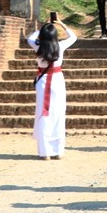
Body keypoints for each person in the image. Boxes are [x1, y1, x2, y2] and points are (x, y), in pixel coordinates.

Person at [28, 18, 77, 160]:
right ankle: (58, 151)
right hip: (57, 81)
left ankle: (45, 152)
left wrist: (43, 25)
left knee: (44, 114)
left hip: (43, 81)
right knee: (58, 114)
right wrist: (61, 24)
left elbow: (30, 37)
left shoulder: (37, 45)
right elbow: (73, 37)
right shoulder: (60, 46)